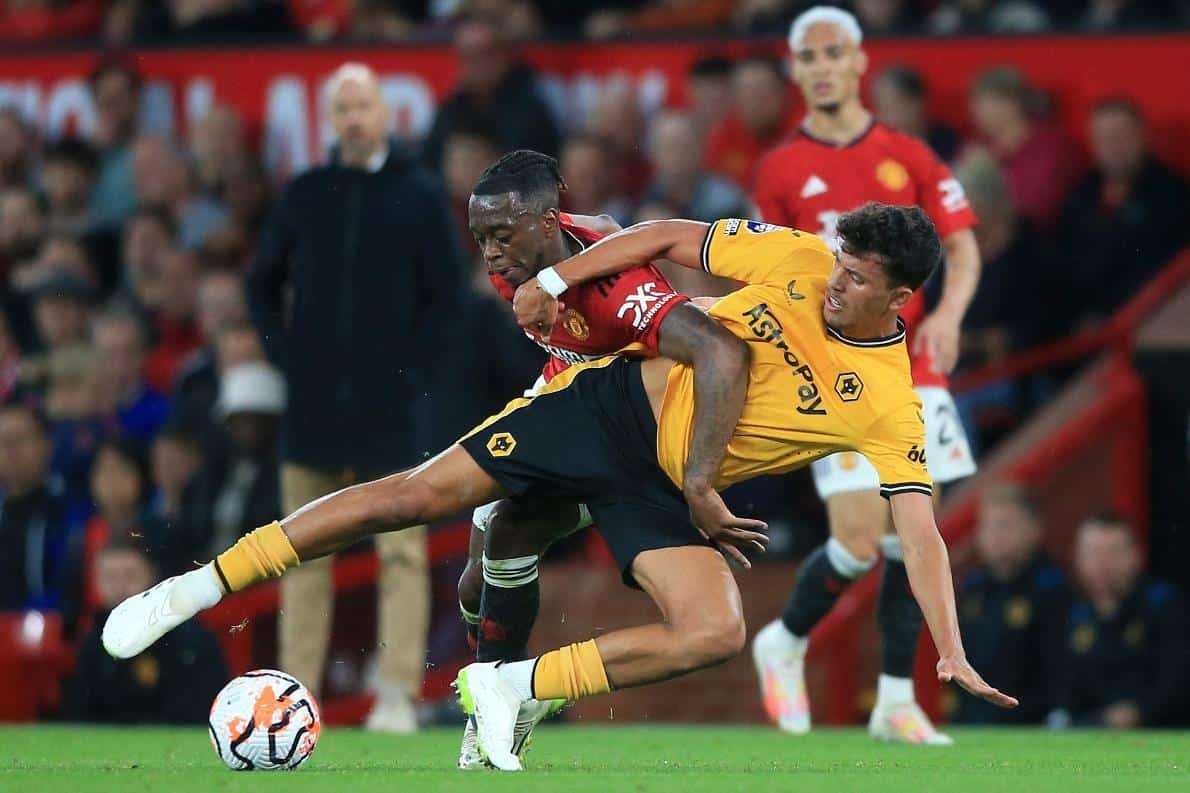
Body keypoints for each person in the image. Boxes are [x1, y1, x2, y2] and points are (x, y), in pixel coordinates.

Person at [102, 203, 1016, 771]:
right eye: (840, 264)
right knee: (414, 495)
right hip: (605, 406)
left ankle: (513, 687)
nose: (834, 284)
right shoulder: (799, 259)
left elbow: (922, 530)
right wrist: (553, 277)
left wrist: (950, 644)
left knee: (715, 629)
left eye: (857, 280)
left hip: (659, 484)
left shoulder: (893, 405)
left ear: (900, 301)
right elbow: (660, 234)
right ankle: (192, 586)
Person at [749, 6, 982, 744]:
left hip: (913, 371)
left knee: (910, 535)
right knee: (856, 535)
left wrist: (949, 316)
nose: (819, 65)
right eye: (806, 55)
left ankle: (895, 700)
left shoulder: (907, 154)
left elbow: (965, 247)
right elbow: (771, 267)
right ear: (795, 69)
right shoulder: (782, 168)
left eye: (832, 53)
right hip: (833, 372)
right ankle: (783, 640)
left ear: (858, 62)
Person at [246, 62, 467, 734]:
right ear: (330, 119)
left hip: (389, 408)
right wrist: (288, 358)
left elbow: (448, 298)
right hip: (313, 406)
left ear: (385, 113)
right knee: (301, 552)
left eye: (362, 105)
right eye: (341, 107)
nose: (352, 118)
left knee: (400, 553)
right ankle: (295, 699)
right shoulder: (304, 193)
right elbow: (262, 283)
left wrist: (412, 375)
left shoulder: (420, 195)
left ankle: (397, 693)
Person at [454, 150, 694, 768]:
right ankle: (497, 689)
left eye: (501, 236)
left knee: (511, 531)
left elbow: (618, 240)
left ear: (543, 220)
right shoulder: (515, 267)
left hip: (625, 429)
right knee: (475, 578)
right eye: (480, 237)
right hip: (559, 393)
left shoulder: (617, 280)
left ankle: (493, 711)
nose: (490, 254)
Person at [1057, 98, 1189, 325]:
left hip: (1146, 325)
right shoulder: (1081, 191)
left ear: (1143, 136)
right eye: (1103, 137)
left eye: (1122, 135)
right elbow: (1063, 261)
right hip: (1080, 323)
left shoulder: (1173, 195)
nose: (1113, 145)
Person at [66, 540, 227, 724]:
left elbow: (200, 712)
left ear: (151, 575)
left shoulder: (189, 639)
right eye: (110, 577)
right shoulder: (92, 642)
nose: (119, 587)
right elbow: (79, 717)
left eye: (130, 575)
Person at [1051, 515, 1189, 729]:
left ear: (1137, 556)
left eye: (1114, 552)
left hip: (1161, 732)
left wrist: (1140, 711)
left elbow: (1177, 681)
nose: (1104, 563)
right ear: (1078, 559)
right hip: (1088, 731)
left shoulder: (1164, 606)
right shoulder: (1074, 615)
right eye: (1094, 552)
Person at [956, 483, 1069, 724]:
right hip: (972, 719)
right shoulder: (972, 588)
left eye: (1005, 525)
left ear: (1033, 529)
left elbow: (1059, 669)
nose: (995, 536)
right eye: (988, 526)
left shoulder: (1052, 588)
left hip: (1032, 722)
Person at [422, 17, 560, 171]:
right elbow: (429, 162)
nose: (476, 64)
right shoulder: (452, 108)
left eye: (484, 54)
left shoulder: (530, 106)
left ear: (504, 55)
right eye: (467, 56)